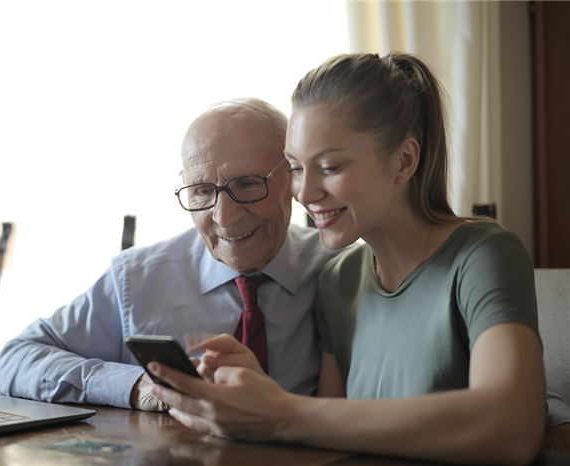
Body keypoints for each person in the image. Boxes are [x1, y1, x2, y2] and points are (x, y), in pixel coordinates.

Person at [149, 52, 568, 463]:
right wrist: (262, 395)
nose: (305, 193)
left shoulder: (482, 254)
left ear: (404, 160)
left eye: (329, 167)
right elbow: (332, 438)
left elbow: (512, 430)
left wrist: (278, 411)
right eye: (295, 167)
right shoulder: (339, 279)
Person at [0, 97, 340, 411]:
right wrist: (136, 385)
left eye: (247, 184)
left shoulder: (343, 273)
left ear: (294, 177)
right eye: (202, 191)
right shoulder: (137, 279)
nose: (223, 216)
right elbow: (14, 359)